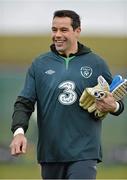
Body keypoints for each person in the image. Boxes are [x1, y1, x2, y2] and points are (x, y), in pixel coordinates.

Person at [10, 10, 124, 179]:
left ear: (77, 31)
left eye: (63, 30)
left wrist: (112, 105)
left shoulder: (96, 63)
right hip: (50, 153)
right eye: (54, 30)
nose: (57, 35)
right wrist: (19, 132)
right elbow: (24, 103)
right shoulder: (40, 64)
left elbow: (118, 103)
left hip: (84, 152)